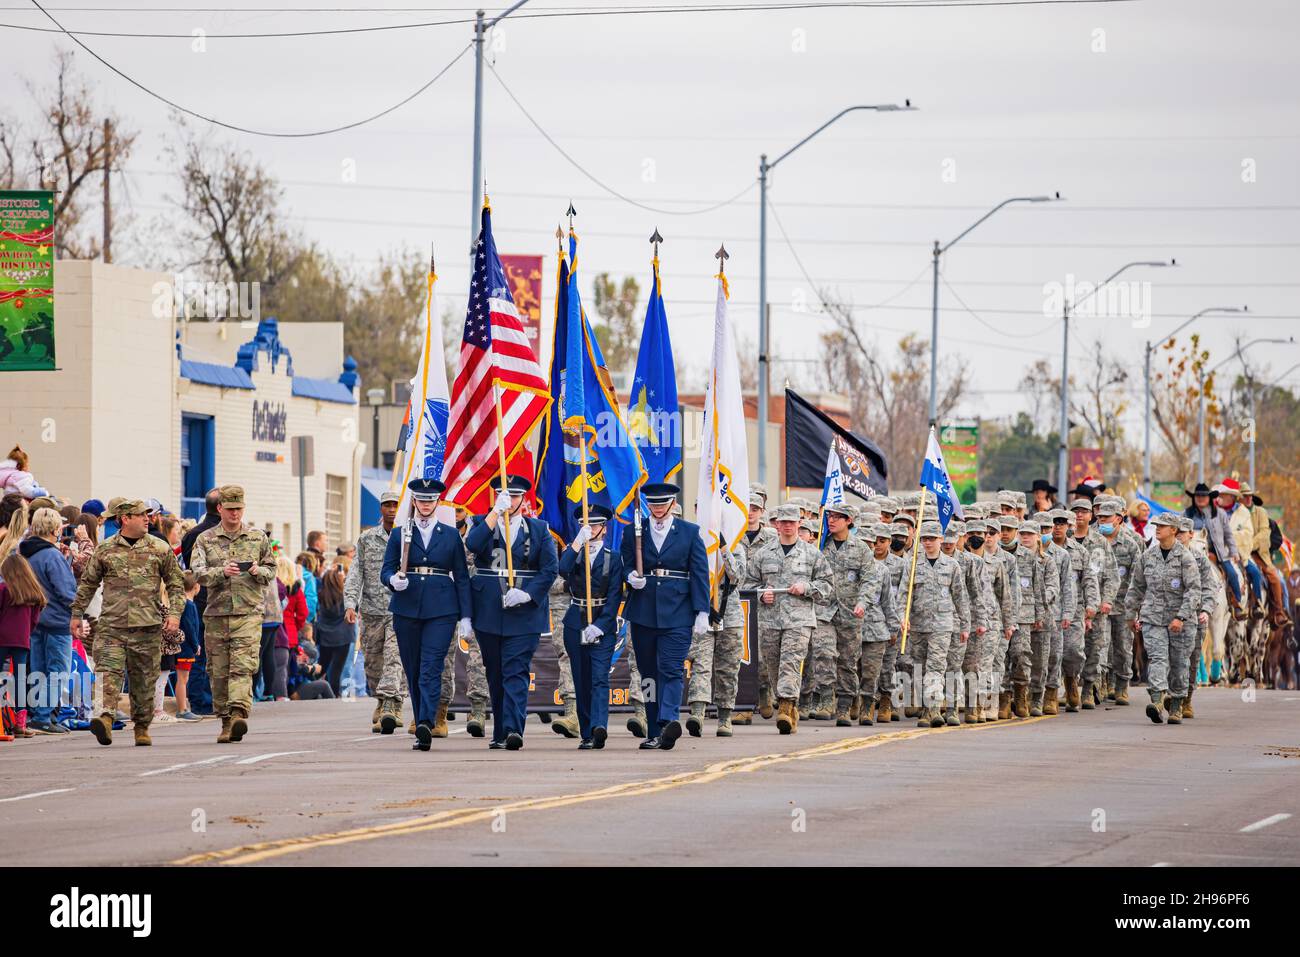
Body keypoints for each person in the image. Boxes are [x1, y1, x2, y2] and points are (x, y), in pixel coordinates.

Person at [71, 500, 184, 746]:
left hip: (147, 627)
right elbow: (88, 584)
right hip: (112, 625)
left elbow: (176, 584)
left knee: (144, 679)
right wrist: (76, 615)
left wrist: (175, 614)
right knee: (107, 672)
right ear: (124, 519)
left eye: (148, 515)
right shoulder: (106, 550)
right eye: (141, 515)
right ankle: (104, 718)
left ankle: (142, 727)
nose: (147, 519)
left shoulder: (159, 548)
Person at [383, 478, 472, 752]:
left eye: (430, 500)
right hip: (407, 606)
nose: (425, 504)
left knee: (430, 667)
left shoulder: (450, 534)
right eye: (421, 500)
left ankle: (425, 722)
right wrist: (392, 581)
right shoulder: (400, 533)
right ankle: (422, 713)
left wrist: (466, 616)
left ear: (437, 503)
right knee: (412, 667)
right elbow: (386, 569)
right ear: (414, 502)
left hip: (442, 608)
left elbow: (462, 577)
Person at [620, 482, 709, 748]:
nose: (657, 509)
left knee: (670, 668)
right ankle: (653, 730)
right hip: (644, 610)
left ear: (672, 504)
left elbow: (700, 574)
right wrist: (630, 577)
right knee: (648, 674)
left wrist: (702, 610)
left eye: (662, 504)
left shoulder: (689, 532)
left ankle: (669, 720)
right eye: (653, 505)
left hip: (678, 611)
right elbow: (624, 562)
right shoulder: (634, 532)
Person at [188, 485, 276, 744]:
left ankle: (238, 713)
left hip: (248, 612)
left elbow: (272, 569)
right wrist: (221, 573)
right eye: (230, 509)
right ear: (220, 509)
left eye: (239, 509)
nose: (235, 514)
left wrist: (259, 571)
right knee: (218, 671)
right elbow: (197, 572)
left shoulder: (257, 538)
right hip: (216, 614)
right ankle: (226, 721)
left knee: (242, 666)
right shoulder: (205, 539)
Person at [743, 502, 832, 735]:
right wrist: (762, 594)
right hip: (770, 620)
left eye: (792, 522)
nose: (788, 526)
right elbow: (748, 585)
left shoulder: (812, 554)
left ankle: (785, 705)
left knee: (790, 662)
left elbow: (827, 586)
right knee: (773, 665)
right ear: (776, 524)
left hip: (799, 620)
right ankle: (789, 706)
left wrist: (807, 587)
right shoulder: (763, 554)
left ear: (799, 524)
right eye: (783, 522)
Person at [556, 504, 623, 749]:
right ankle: (586, 732)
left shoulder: (613, 558)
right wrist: (576, 543)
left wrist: (602, 626)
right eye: (586, 524)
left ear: (604, 528)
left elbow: (615, 596)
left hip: (601, 622)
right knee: (581, 678)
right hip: (576, 620)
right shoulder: (574, 553)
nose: (590, 528)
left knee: (599, 677)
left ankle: (599, 726)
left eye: (595, 524)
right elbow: (562, 569)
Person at [344, 489, 411, 734]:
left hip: (399, 609)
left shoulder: (408, 537)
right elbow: (356, 572)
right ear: (381, 509)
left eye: (396, 505)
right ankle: (382, 701)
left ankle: (393, 706)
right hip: (372, 611)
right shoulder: (367, 539)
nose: (392, 509)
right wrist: (350, 603)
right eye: (387, 505)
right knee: (374, 664)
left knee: (395, 658)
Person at [1125, 512, 1200, 724]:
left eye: (1163, 526)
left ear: (1174, 530)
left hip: (1180, 622)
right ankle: (1157, 701)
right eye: (1156, 525)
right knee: (1157, 658)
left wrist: (1181, 617)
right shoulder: (1148, 557)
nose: (1157, 528)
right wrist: (1131, 614)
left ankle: (1176, 705)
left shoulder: (1186, 558)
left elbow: (1194, 591)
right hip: (1153, 618)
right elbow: (1136, 587)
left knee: (1178, 663)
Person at [685, 501, 747, 738]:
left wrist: (723, 547)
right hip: (702, 612)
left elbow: (738, 575)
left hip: (729, 615)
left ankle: (724, 717)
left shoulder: (735, 544)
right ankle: (698, 714)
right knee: (700, 664)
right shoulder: (691, 542)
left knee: (728, 668)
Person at [813, 502, 873, 727]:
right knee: (823, 652)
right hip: (823, 610)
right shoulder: (820, 545)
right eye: (830, 516)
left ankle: (845, 706)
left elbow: (869, 579)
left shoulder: (860, 549)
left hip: (850, 613)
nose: (832, 520)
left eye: (838, 517)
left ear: (849, 521)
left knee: (848, 662)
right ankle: (826, 698)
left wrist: (862, 602)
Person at [18, 508, 77, 733]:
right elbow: (66, 591)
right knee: (57, 671)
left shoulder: (24, 553)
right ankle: (44, 715)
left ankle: (38, 714)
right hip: (57, 620)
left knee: (38, 670)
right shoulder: (51, 555)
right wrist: (78, 611)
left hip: (33, 619)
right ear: (54, 529)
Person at [731, 483, 777, 727]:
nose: (750, 512)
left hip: (764, 603)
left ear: (762, 511)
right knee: (739, 653)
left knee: (763, 655)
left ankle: (763, 691)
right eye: (746, 507)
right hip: (736, 601)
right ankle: (744, 705)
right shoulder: (732, 534)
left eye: (755, 508)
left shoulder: (771, 537)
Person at [857, 522, 901, 725]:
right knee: (852, 669)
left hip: (875, 628)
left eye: (870, 544)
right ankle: (851, 704)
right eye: (862, 544)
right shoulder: (849, 568)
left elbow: (887, 602)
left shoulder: (881, 570)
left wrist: (894, 628)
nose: (867, 548)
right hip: (852, 626)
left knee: (873, 671)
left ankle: (872, 706)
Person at [0, 552, 47, 738]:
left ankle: (1, 721)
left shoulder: (3, 590)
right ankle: (20, 723)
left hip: (2, 638)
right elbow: (35, 621)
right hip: (22, 640)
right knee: (20, 681)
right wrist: (26, 633)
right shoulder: (33, 593)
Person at [1176, 516, 1216, 718]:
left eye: (1182, 532)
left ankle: (1187, 699)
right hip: (1169, 617)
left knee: (1191, 659)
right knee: (1167, 658)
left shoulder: (1200, 559)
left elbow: (1210, 587)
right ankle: (1169, 695)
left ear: (1191, 534)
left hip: (1195, 616)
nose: (1179, 536)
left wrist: (1206, 610)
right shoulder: (1165, 555)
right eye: (1176, 532)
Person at [1183, 482, 1242, 614]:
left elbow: (1228, 535)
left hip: (1217, 552)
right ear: (1194, 497)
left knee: (1232, 574)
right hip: (1192, 552)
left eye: (1204, 496)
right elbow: (1179, 533)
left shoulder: (1220, 514)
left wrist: (1234, 552)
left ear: (1209, 497)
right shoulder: (1186, 514)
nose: (1200, 498)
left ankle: (1236, 602)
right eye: (1198, 495)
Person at [175, 572, 202, 719]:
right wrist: (195, 644)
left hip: (182, 646)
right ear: (196, 587)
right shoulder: (189, 605)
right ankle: (182, 709)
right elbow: (190, 627)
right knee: (183, 679)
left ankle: (183, 707)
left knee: (182, 679)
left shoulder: (182, 603)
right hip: (186, 648)